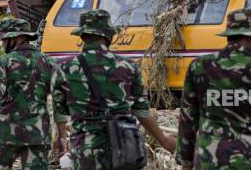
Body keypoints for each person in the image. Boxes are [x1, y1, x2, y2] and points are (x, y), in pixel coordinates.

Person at [52, 9, 176, 169]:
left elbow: (60, 112)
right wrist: (164, 141)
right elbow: (142, 111)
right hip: (125, 146)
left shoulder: (63, 67)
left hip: (86, 150)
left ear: (82, 36)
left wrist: (62, 140)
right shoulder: (128, 66)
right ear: (107, 36)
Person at [176, 8, 251, 169]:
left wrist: (186, 163)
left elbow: (188, 119)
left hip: (208, 160)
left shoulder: (199, 66)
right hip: (250, 161)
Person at [0, 18, 53, 169]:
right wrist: (61, 135)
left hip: (7, 134)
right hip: (38, 134)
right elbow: (59, 99)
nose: (2, 43)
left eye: (4, 39)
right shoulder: (47, 62)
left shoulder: (4, 62)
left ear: (15, 38)